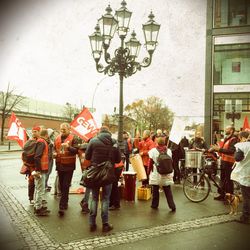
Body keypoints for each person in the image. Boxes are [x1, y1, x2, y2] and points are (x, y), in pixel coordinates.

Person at [84, 126, 121, 232]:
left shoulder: (93, 141)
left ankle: (92, 223)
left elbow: (87, 157)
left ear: (99, 132)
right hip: (108, 173)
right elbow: (118, 160)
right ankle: (105, 224)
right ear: (109, 132)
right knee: (105, 199)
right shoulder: (114, 142)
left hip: (95, 172)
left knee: (94, 198)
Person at [54, 123, 79, 216]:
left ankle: (62, 205)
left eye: (64, 129)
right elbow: (54, 149)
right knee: (61, 184)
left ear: (69, 129)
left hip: (69, 165)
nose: (62, 131)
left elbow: (76, 150)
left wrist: (68, 147)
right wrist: (54, 154)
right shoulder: (57, 138)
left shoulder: (73, 138)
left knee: (65, 184)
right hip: (59, 164)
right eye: (61, 129)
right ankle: (65, 200)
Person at [148, 137, 176, 211]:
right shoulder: (169, 151)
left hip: (156, 172)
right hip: (166, 173)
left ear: (157, 143)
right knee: (167, 189)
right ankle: (172, 205)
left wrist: (148, 172)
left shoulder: (153, 151)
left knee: (155, 189)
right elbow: (171, 161)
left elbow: (150, 163)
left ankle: (154, 205)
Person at [211, 125, 238, 200]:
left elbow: (232, 151)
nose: (225, 130)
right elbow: (222, 148)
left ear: (231, 130)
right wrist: (215, 149)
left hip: (229, 162)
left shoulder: (234, 139)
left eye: (227, 129)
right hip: (224, 161)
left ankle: (230, 197)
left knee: (229, 180)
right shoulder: (226, 138)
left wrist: (219, 149)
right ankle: (223, 195)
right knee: (222, 179)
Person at [231, 131, 250, 224]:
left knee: (246, 197)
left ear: (242, 137)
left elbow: (237, 158)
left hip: (246, 174)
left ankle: (245, 217)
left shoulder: (242, 146)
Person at [33, 129, 51, 216]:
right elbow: (37, 157)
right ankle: (38, 208)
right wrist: (39, 170)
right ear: (47, 135)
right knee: (40, 189)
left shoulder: (41, 141)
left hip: (40, 169)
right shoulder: (42, 142)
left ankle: (38, 206)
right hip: (41, 170)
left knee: (38, 188)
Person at [25, 126, 41, 205]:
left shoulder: (40, 140)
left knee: (38, 182)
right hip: (31, 165)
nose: (34, 133)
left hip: (37, 165)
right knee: (31, 181)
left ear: (39, 132)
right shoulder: (30, 141)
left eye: (35, 131)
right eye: (33, 131)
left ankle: (36, 198)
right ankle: (31, 198)